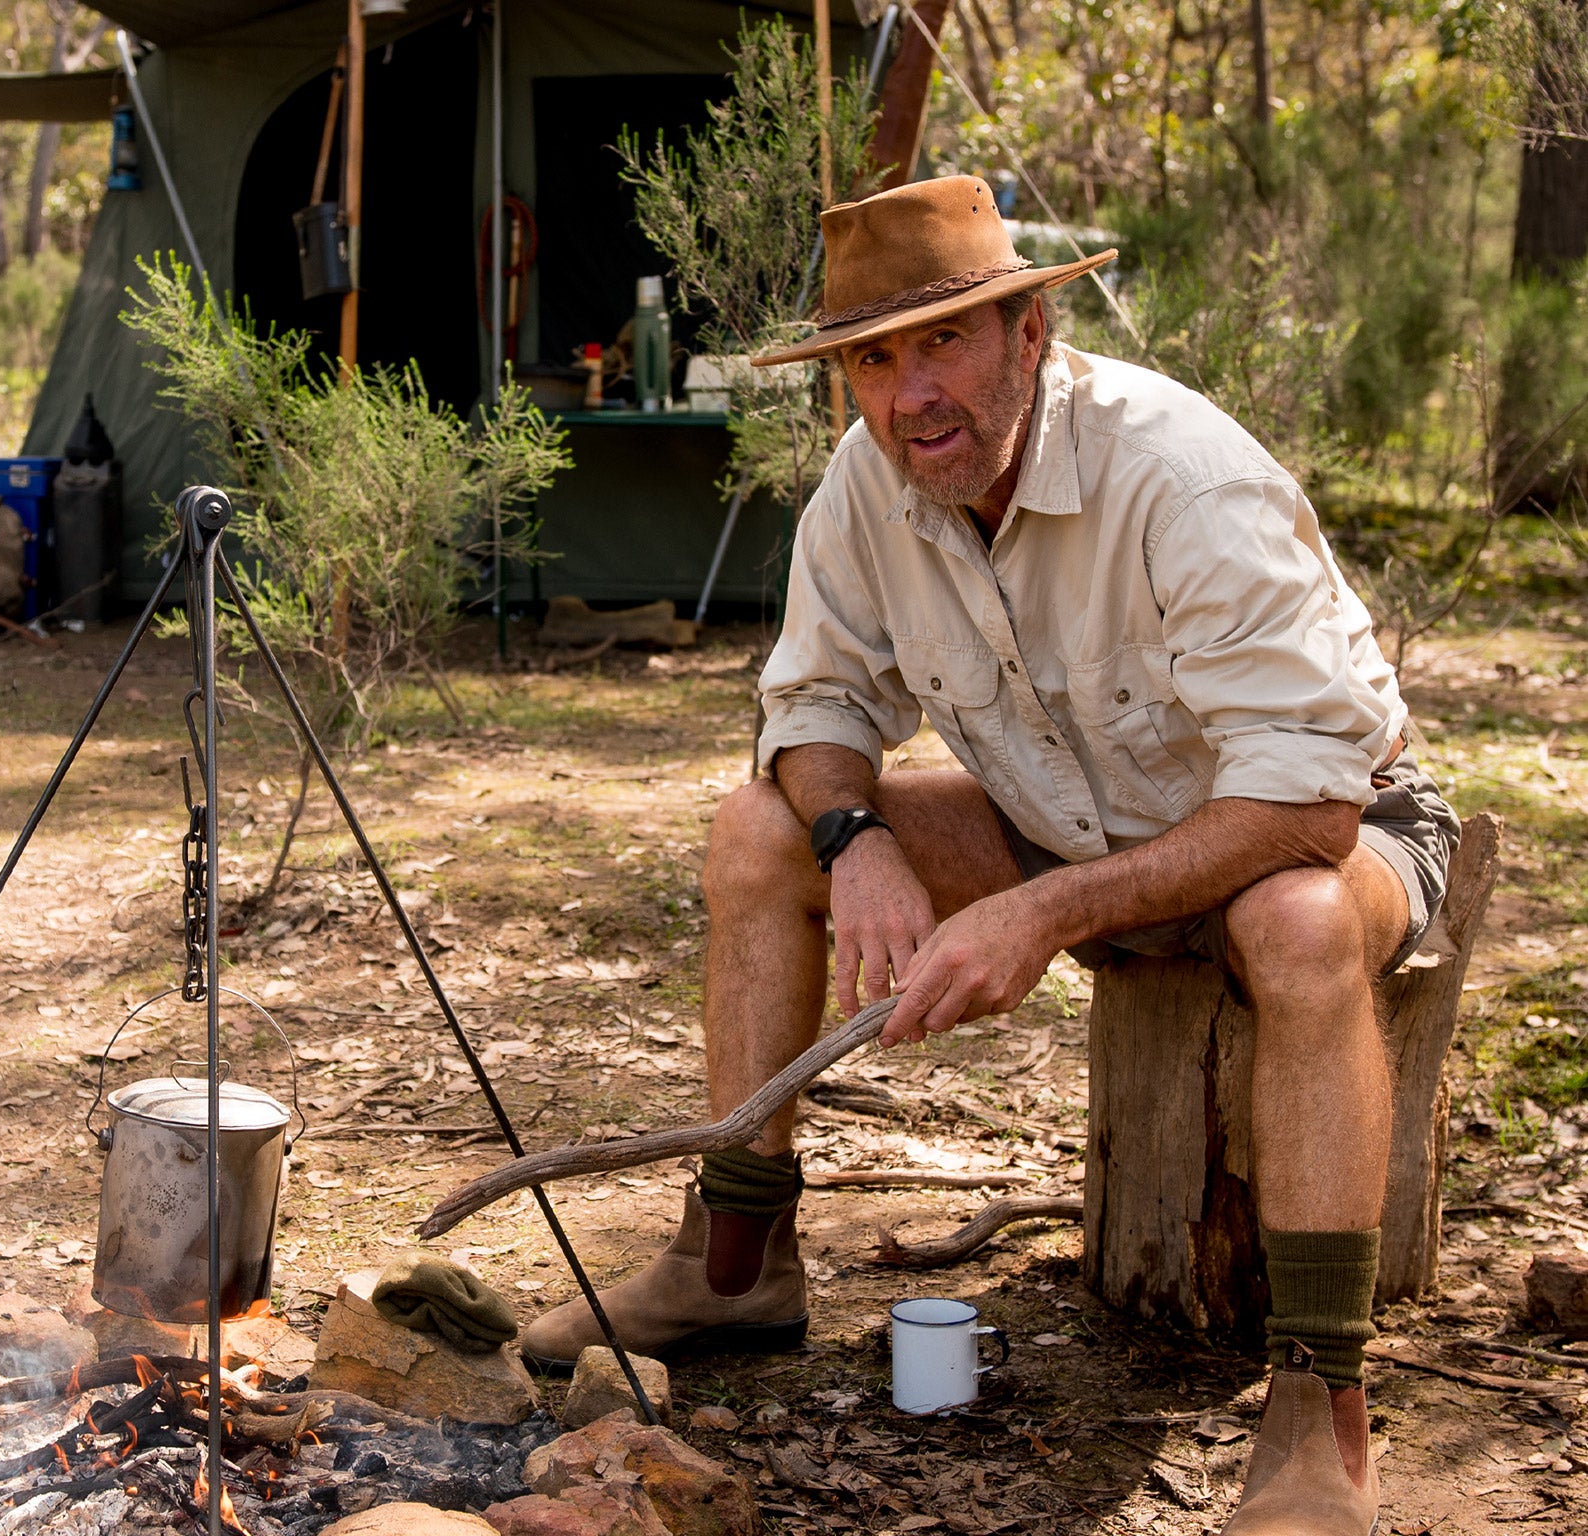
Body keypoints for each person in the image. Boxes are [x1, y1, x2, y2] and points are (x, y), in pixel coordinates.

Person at [516, 176, 1456, 1536]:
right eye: (873, 361)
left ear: (1027, 330)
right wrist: (856, 841)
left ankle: (1320, 1420)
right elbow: (815, 703)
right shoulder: (870, 486)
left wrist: (1048, 914)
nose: (911, 397)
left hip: (1312, 829)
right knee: (755, 827)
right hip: (1062, 821)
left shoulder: (1182, 478)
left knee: (1303, 925)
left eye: (943, 340)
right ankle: (737, 1260)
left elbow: (1307, 798)